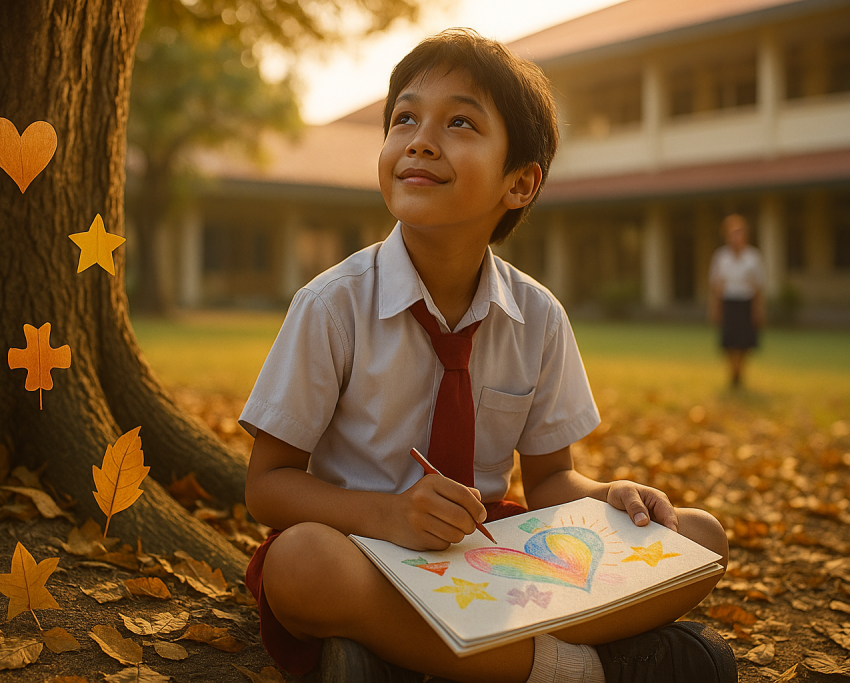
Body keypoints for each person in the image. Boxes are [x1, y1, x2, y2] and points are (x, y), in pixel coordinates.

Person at [241, 29, 735, 683]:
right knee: (299, 564)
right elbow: (267, 485)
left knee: (696, 537)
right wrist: (388, 513)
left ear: (521, 182)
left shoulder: (538, 317)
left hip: (492, 557)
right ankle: (583, 670)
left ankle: (402, 657)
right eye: (405, 118)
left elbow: (553, 481)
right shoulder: (331, 305)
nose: (419, 138)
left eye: (461, 122)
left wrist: (610, 494)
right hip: (365, 547)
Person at [709, 214, 765, 388]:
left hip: (746, 302)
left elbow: (758, 287)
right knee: (729, 342)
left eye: (739, 233)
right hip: (728, 302)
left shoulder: (753, 257)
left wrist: (758, 309)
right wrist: (715, 307)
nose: (736, 237)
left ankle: (740, 372)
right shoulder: (721, 257)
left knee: (744, 342)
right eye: (733, 233)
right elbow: (716, 285)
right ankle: (733, 372)